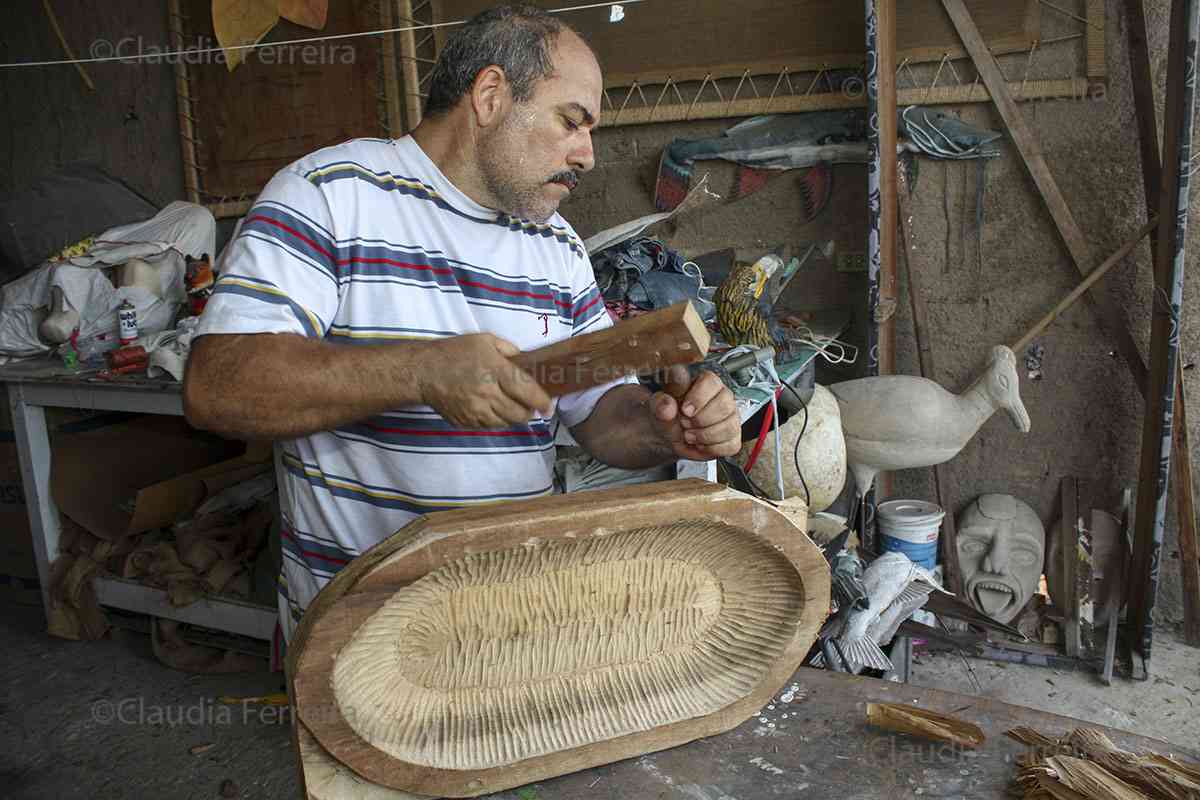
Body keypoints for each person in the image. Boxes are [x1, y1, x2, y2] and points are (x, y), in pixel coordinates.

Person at [183, 5, 740, 640]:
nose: (587, 155)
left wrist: (666, 430)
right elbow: (217, 387)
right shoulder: (330, 194)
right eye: (572, 121)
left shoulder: (556, 247)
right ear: (491, 95)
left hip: (512, 616)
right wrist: (422, 373)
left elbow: (596, 415)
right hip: (361, 629)